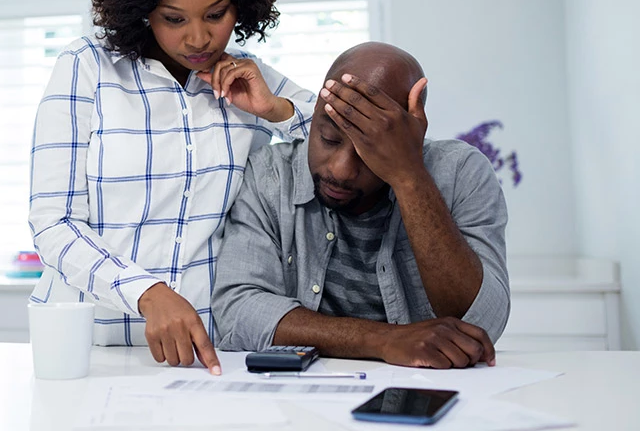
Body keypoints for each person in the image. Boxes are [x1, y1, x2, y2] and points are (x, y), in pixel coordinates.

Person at [28, 0, 315, 375]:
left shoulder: (249, 77)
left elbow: (343, 139)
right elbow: (53, 222)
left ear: (242, 2)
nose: (199, 38)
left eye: (216, 14)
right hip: (90, 347)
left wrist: (274, 109)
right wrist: (147, 292)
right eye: (174, 19)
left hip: (209, 353)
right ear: (142, 8)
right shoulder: (87, 68)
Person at [212, 42, 510, 369]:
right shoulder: (270, 175)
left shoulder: (461, 172)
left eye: (369, 152)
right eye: (328, 139)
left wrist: (409, 175)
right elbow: (237, 311)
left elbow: (481, 322)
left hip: (423, 390)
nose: (340, 170)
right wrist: (382, 339)